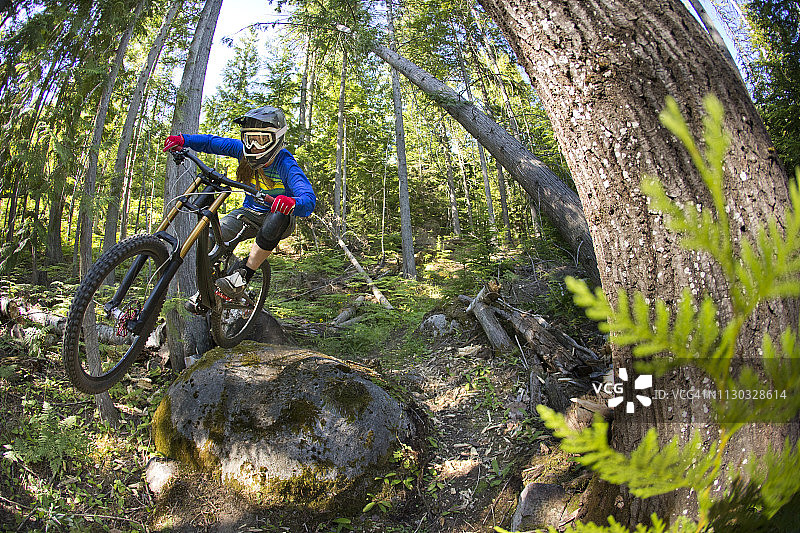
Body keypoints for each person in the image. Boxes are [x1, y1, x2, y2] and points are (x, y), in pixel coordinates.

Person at [163, 105, 316, 308]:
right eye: (249, 139)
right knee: (209, 238)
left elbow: (308, 199)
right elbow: (213, 143)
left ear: (277, 139)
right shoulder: (241, 151)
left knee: (278, 215)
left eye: (261, 140)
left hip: (278, 220)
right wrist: (184, 140)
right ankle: (209, 291)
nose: (253, 146)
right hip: (247, 213)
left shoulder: (284, 162)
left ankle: (243, 276)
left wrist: (293, 202)